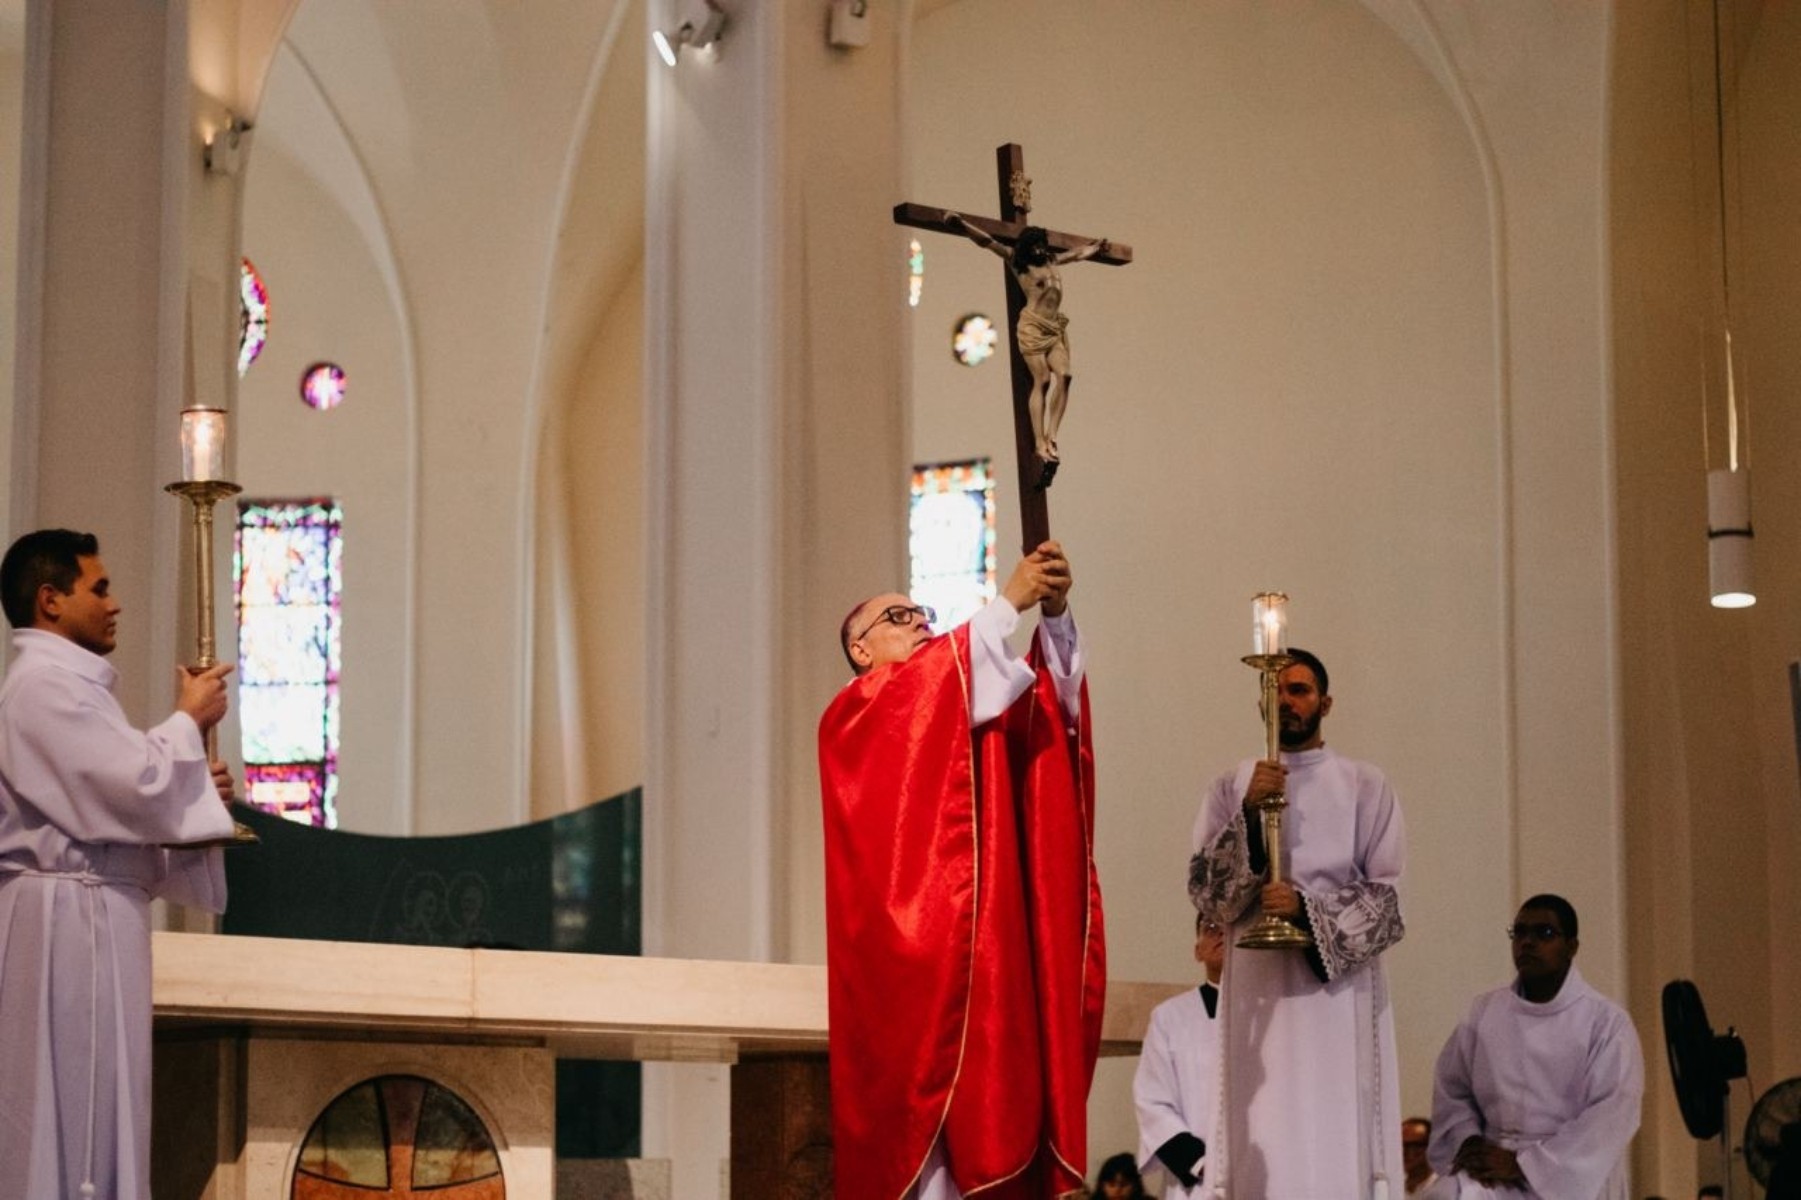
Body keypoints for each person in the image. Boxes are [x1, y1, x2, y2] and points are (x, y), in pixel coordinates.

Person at [819, 540, 1102, 1200]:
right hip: (912, 972)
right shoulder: (856, 710)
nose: (920, 623)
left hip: (987, 949)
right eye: (898, 618)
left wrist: (1053, 618)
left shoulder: (957, 697)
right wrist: (1010, 600)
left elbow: (1045, 709)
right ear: (859, 649)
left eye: (922, 613)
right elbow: (941, 684)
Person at [0, 529, 237, 1199]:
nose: (115, 603)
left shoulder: (73, 688)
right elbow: (133, 784)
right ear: (50, 600)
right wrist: (186, 724)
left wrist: (191, 795)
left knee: (102, 1104)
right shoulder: (41, 687)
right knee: (68, 1107)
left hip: (95, 912)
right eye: (98, 587)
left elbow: (111, 805)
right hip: (64, 923)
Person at [1188, 647, 1406, 1197]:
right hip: (1257, 995)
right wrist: (1250, 818)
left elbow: (1387, 899)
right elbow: (1205, 893)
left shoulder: (1365, 785)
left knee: (1337, 1130)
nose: (1285, 701)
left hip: (1335, 997)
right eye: (1275, 690)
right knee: (1260, 1124)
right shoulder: (1230, 785)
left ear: (1325, 704)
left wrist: (1308, 912)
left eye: (1299, 690)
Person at [1430, 894, 1644, 1199]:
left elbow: (1611, 1115)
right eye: (1520, 933)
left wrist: (1523, 1164)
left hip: (1571, 1177)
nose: (1527, 942)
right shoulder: (1484, 1012)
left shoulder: (1606, 1022)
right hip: (1491, 1171)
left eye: (1544, 933)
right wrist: (1468, 1142)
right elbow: (1453, 1090)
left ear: (1572, 947)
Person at [944, 213, 1110, 477]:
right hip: (1033, 327)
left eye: (1042, 244)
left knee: (1065, 376)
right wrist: (961, 225)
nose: (1040, 249)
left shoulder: (1053, 260)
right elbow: (987, 241)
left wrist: (1094, 248)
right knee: (1042, 380)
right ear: (1027, 246)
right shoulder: (1018, 264)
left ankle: (1052, 435)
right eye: (1035, 245)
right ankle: (1039, 442)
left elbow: (1077, 254)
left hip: (1053, 328)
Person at [1133, 913, 1223, 1198]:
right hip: (1197, 1182)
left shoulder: (1271, 1016)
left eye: (1228, 928)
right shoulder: (1170, 1018)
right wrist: (1201, 1163)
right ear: (1197, 950)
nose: (1220, 934)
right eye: (1210, 928)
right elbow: (1152, 1101)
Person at [1403, 1116, 1456, 1198]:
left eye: (1416, 1145)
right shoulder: (1389, 1187)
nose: (1407, 1152)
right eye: (1402, 1145)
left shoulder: (1448, 1188)